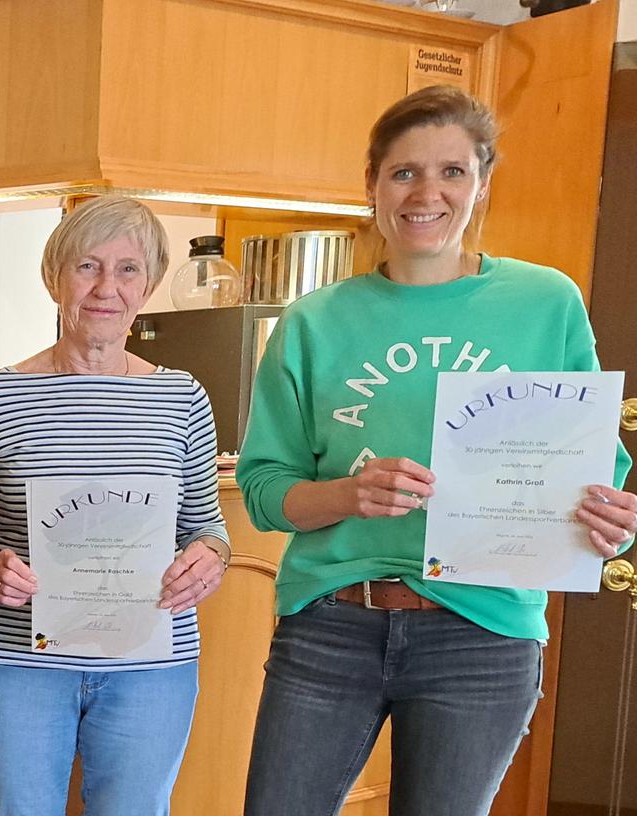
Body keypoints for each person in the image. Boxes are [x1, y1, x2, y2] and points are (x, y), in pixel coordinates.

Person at [237, 84, 637, 815]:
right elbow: (265, 488)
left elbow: (591, 463)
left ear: (481, 184)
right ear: (372, 186)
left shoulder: (546, 303)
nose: (428, 192)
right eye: (404, 172)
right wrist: (346, 495)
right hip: (331, 625)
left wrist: (605, 521)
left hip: (483, 635)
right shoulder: (313, 323)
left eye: (453, 171)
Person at [0, 194, 230, 816]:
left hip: (150, 658)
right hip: (22, 658)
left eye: (128, 269)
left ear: (149, 284)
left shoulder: (182, 399)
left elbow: (207, 527)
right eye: (87, 266)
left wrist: (211, 558)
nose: (107, 287)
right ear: (56, 278)